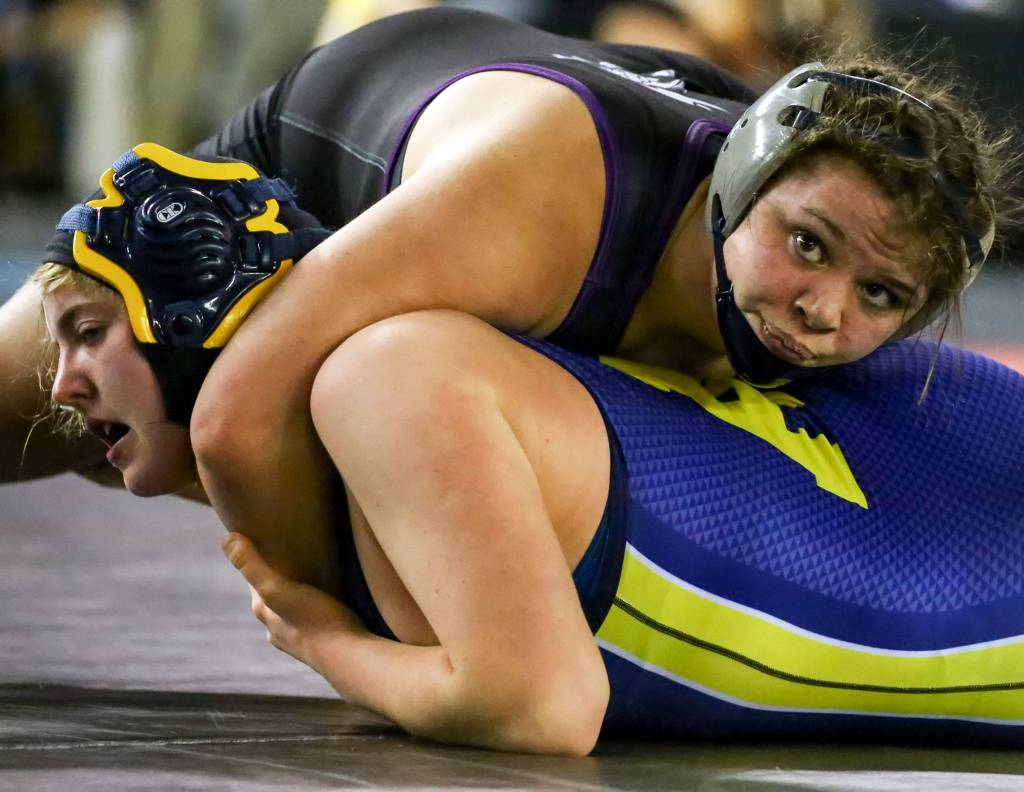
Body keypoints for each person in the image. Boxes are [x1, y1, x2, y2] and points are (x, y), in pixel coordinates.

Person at [33, 141, 1024, 755]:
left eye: (91, 341)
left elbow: (540, 710)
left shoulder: (386, 376)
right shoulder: (490, 343)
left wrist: (324, 643)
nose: (67, 390)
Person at [4, 8, 1015, 559]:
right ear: (740, 190)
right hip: (321, 157)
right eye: (806, 248)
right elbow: (235, 423)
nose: (825, 309)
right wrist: (350, 628)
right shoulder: (543, 206)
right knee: (73, 411)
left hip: (515, 138)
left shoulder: (820, 239)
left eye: (882, 298)